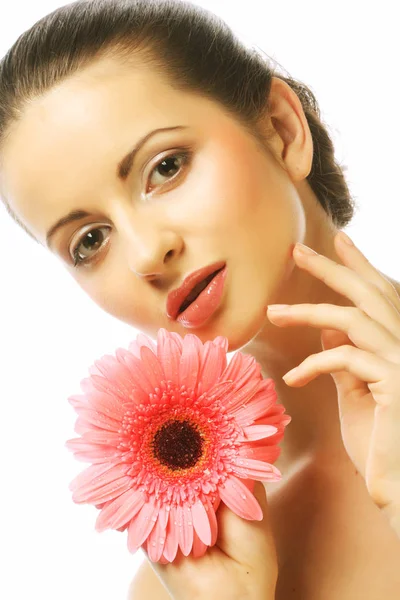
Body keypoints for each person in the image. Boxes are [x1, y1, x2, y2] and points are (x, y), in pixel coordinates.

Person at [1, 0, 400, 598]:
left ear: (280, 129)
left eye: (165, 168)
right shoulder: (190, 578)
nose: (143, 254)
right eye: (89, 241)